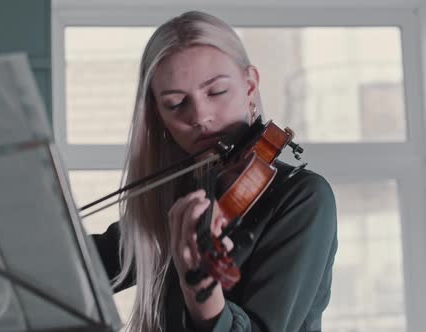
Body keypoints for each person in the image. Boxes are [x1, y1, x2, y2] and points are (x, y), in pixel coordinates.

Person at [92, 10, 338, 332]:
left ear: (249, 86)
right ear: (158, 116)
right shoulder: (182, 194)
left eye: (216, 92)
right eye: (177, 103)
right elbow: (86, 268)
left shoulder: (303, 198)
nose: (200, 116)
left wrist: (202, 294)